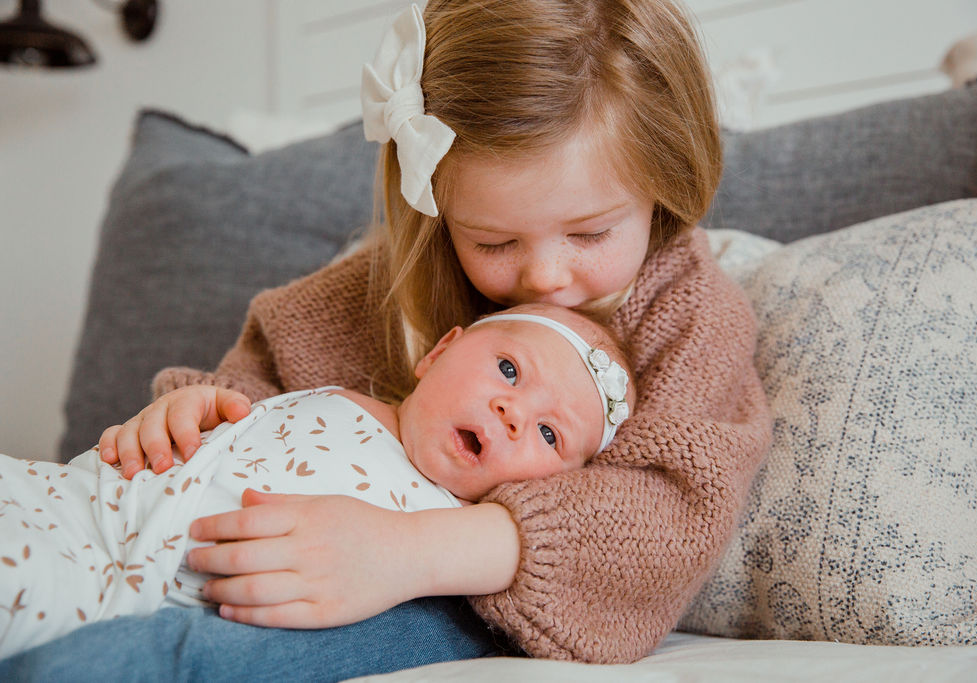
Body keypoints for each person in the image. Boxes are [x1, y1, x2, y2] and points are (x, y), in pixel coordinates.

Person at [1, 0, 771, 679]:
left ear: (664, 184)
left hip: (457, 587)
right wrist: (200, 410)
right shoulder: (401, 275)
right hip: (208, 530)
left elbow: (670, 521)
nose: (543, 275)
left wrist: (406, 552)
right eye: (495, 242)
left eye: (591, 231)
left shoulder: (693, 316)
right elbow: (265, 372)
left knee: (205, 644)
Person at [0, 304, 634, 659]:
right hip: (79, 495)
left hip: (122, 591)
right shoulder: (327, 392)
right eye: (507, 368)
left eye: (551, 435)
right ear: (439, 352)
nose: (513, 412)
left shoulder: (439, 535)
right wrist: (181, 412)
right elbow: (224, 423)